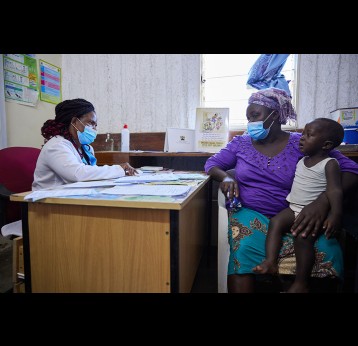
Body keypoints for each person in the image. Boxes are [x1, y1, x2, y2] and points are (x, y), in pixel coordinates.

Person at [204, 87, 358, 293]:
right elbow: (212, 164)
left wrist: (321, 203)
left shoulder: (302, 143)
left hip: (297, 214)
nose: (251, 122)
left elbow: (351, 170)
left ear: (274, 115)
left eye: (256, 115)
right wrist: (226, 176)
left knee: (327, 250)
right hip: (251, 214)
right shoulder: (240, 143)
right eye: (248, 117)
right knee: (244, 245)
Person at [252, 118, 344, 293]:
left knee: (302, 238)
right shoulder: (302, 160)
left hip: (311, 215)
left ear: (326, 145)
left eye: (308, 135)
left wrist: (335, 214)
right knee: (276, 222)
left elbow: (335, 191)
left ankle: (301, 283)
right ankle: (270, 262)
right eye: (303, 133)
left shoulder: (329, 164)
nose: (302, 138)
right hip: (293, 208)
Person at [32, 98, 136, 190]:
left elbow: (91, 175)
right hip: (48, 203)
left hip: (72, 197)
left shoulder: (86, 148)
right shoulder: (56, 145)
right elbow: (77, 174)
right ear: (74, 122)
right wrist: (118, 169)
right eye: (91, 123)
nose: (94, 129)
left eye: (95, 125)